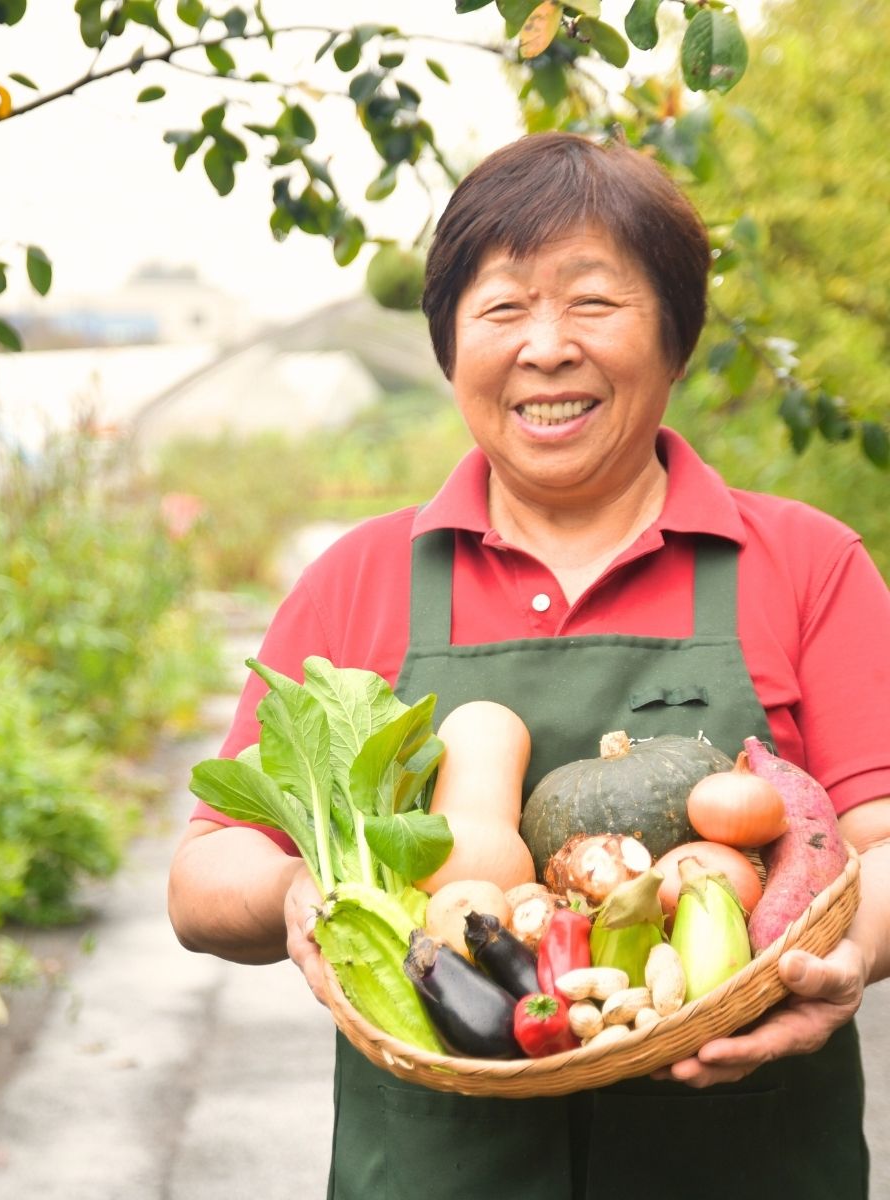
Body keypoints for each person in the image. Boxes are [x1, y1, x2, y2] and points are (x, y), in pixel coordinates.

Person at [166, 131, 890, 1199]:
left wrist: (842, 957)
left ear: (677, 338)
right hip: (431, 1165)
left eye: (593, 302)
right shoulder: (358, 579)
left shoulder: (806, 564)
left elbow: (881, 840)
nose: (545, 347)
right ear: (451, 346)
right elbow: (200, 877)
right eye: (503, 309)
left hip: (745, 1155)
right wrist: (301, 894)